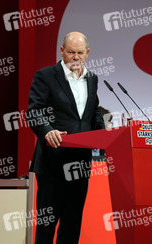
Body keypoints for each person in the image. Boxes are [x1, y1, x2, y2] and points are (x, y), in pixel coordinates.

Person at [27, 31, 104, 244]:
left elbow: (92, 111)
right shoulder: (46, 75)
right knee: (46, 225)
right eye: (71, 52)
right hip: (52, 163)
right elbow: (34, 111)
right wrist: (47, 130)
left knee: (72, 224)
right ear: (62, 51)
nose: (76, 57)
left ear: (87, 53)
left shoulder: (92, 79)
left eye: (80, 52)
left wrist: (105, 131)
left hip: (79, 164)